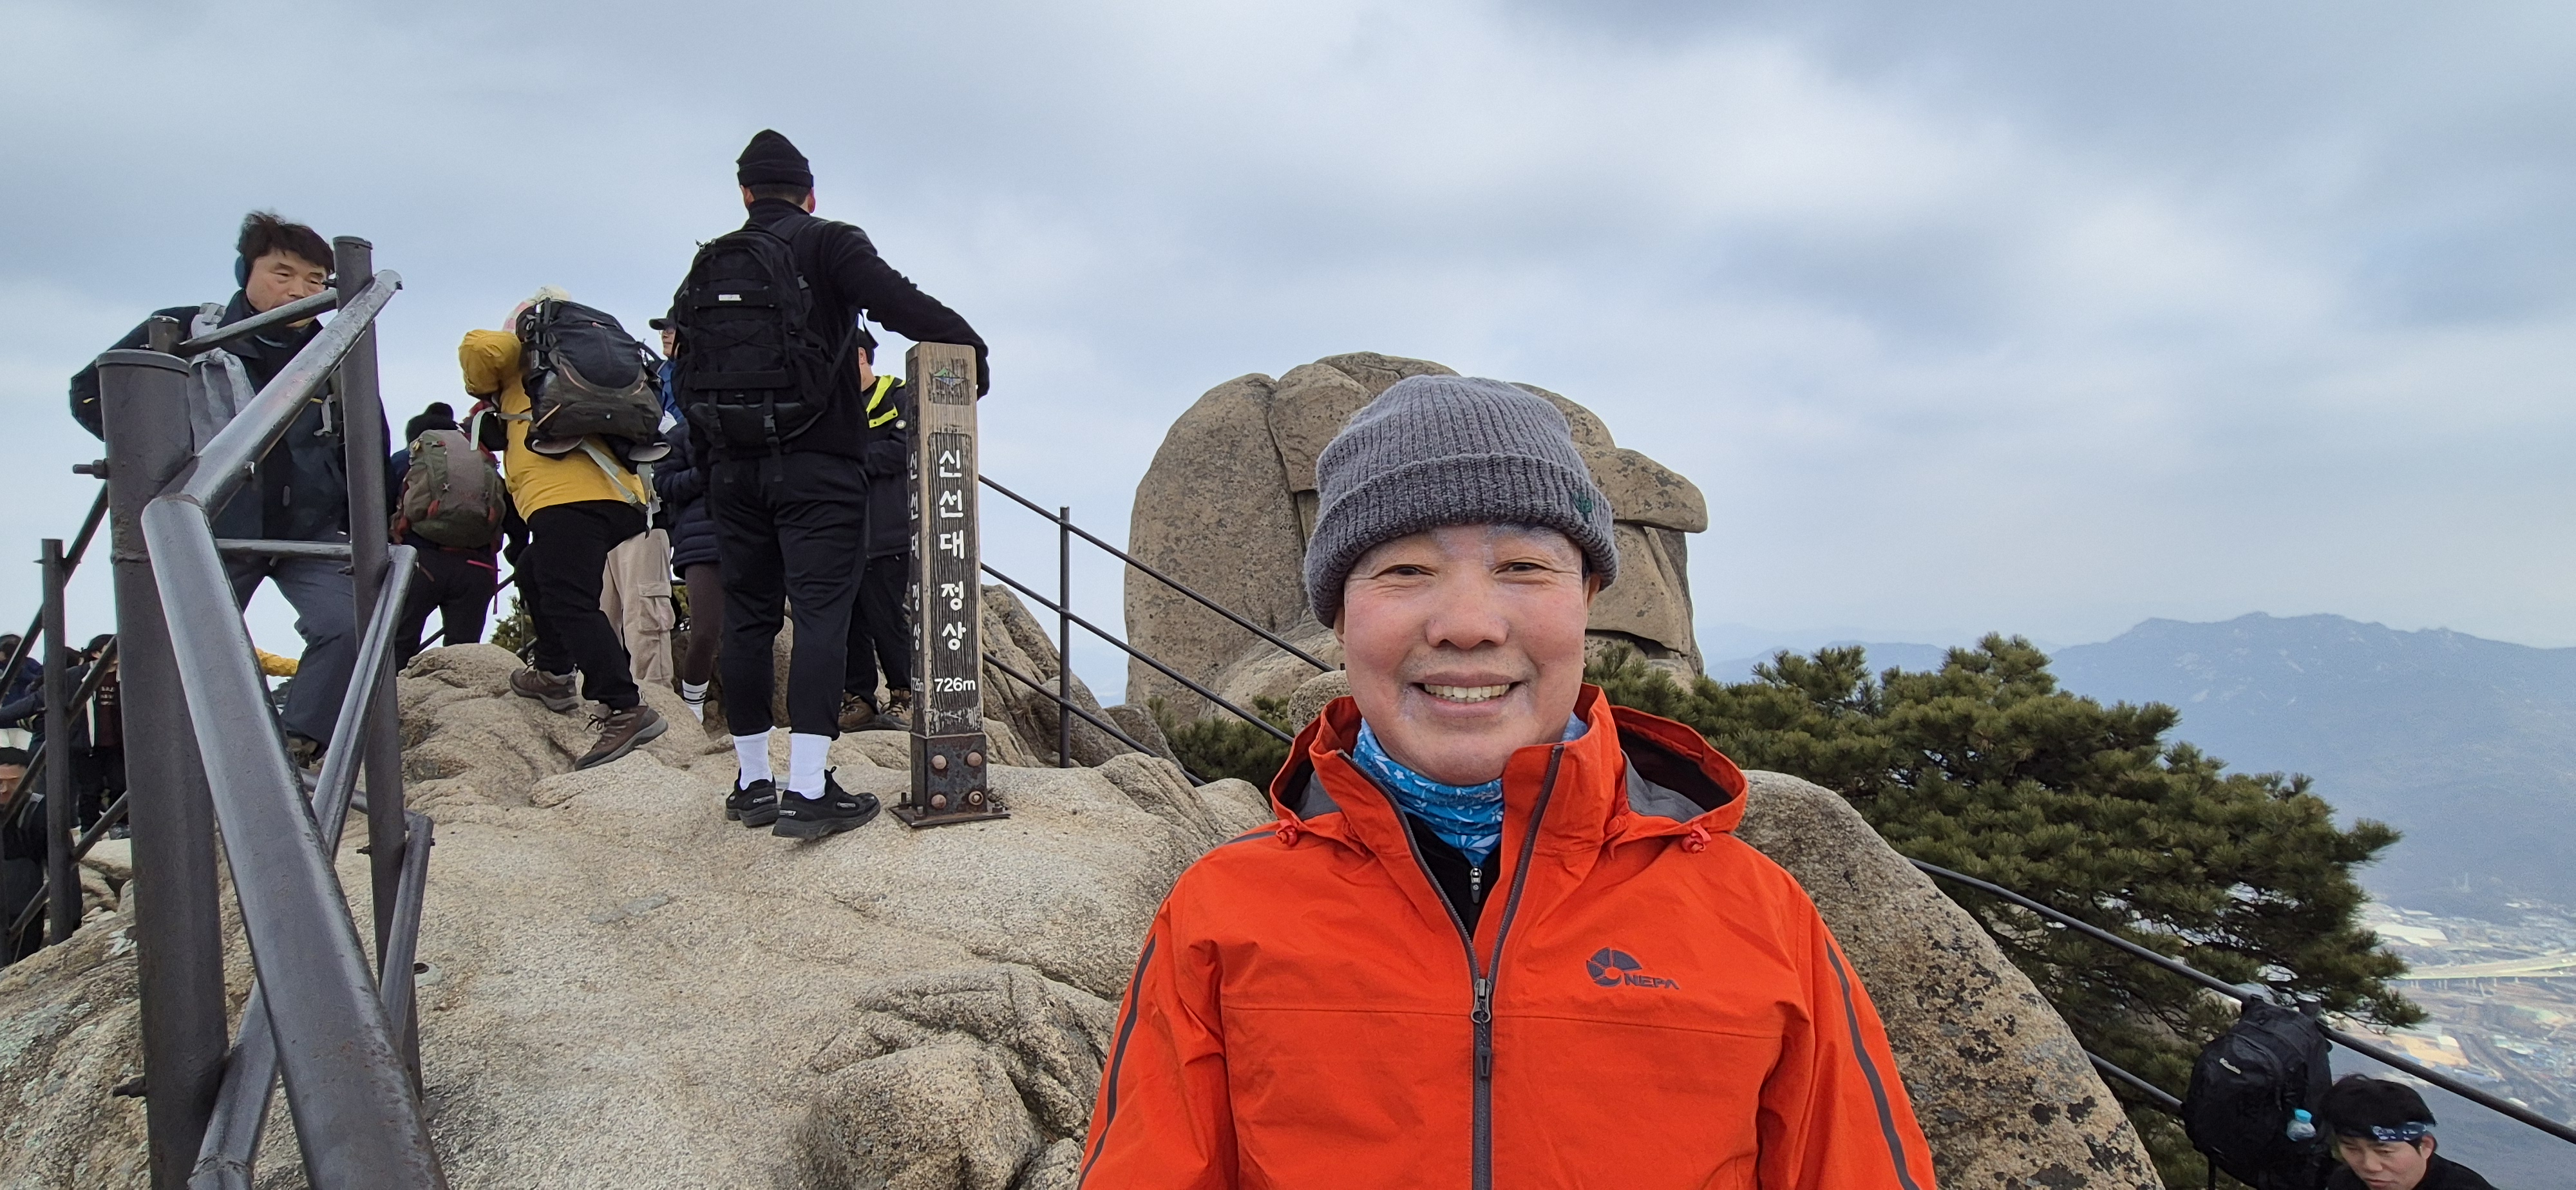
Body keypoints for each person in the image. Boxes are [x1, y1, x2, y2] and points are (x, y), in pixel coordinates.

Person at [1075, 377, 1937, 1186]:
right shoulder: (1222, 917)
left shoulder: (1758, 917)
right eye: (1405, 570)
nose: (1467, 625)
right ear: (1337, 614)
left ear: (1588, 596)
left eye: (1523, 566)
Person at [675, 129, 987, 838]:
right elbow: (900, 304)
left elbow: (687, 370)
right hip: (819, 467)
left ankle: (752, 781)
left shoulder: (710, 262)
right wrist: (973, 349)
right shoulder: (829, 243)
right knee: (821, 614)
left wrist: (717, 456)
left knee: (749, 618)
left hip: (733, 470)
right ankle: (809, 789)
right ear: (810, 195)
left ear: (745, 194)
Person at [67, 212, 361, 767]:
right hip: (212, 519)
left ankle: (294, 747)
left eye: (316, 280)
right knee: (188, 644)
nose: (300, 291)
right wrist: (151, 462)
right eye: (283, 273)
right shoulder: (188, 332)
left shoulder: (337, 346)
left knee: (351, 624)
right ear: (245, 272)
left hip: (308, 526)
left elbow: (367, 435)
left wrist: (368, 514)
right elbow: (91, 392)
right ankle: (184, 771)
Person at [464, 289, 667, 770]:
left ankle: (624, 705)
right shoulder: (594, 361)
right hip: (622, 496)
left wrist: (514, 337)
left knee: (568, 599)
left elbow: (478, 348)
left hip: (562, 496)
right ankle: (555, 673)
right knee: (534, 569)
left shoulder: (524, 351)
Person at [388, 402, 505, 665]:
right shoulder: (481, 459)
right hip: (476, 567)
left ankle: (393, 692)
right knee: (462, 655)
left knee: (397, 648)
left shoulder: (405, 459)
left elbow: (379, 508)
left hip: (419, 563)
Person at [838, 329, 913, 733]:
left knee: (886, 617)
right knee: (850, 620)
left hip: (887, 529)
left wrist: (850, 458)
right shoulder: (836, 404)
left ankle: (905, 695)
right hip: (845, 532)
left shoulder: (897, 396)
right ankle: (860, 698)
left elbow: (903, 450)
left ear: (862, 357)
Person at [652, 321, 723, 727]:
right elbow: (664, 484)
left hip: (749, 538)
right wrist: (706, 475)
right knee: (706, 630)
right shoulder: (680, 436)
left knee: (753, 632)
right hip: (700, 542)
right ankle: (692, 703)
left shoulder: (744, 429)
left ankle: (750, 712)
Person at [2320, 1076, 2493, 1190]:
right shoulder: (2346, 1181)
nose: (2369, 1166)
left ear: (2425, 1146)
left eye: (2384, 1152)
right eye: (2352, 1148)